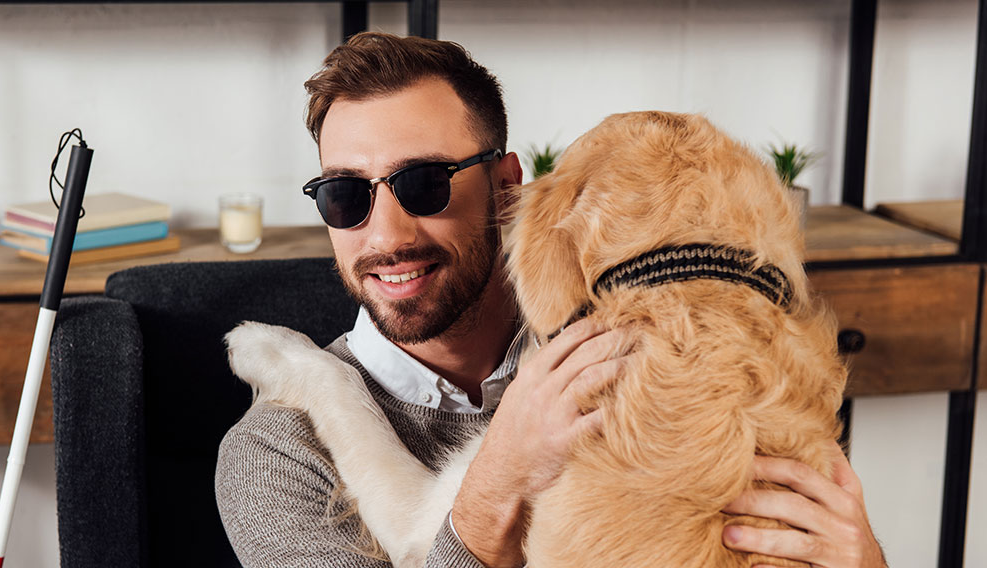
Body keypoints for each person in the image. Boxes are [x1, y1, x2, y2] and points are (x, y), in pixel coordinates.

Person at [215, 31, 886, 568]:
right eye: (346, 195)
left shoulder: (676, 381)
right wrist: (500, 478)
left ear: (510, 188)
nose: (387, 234)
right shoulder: (276, 453)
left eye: (425, 184)